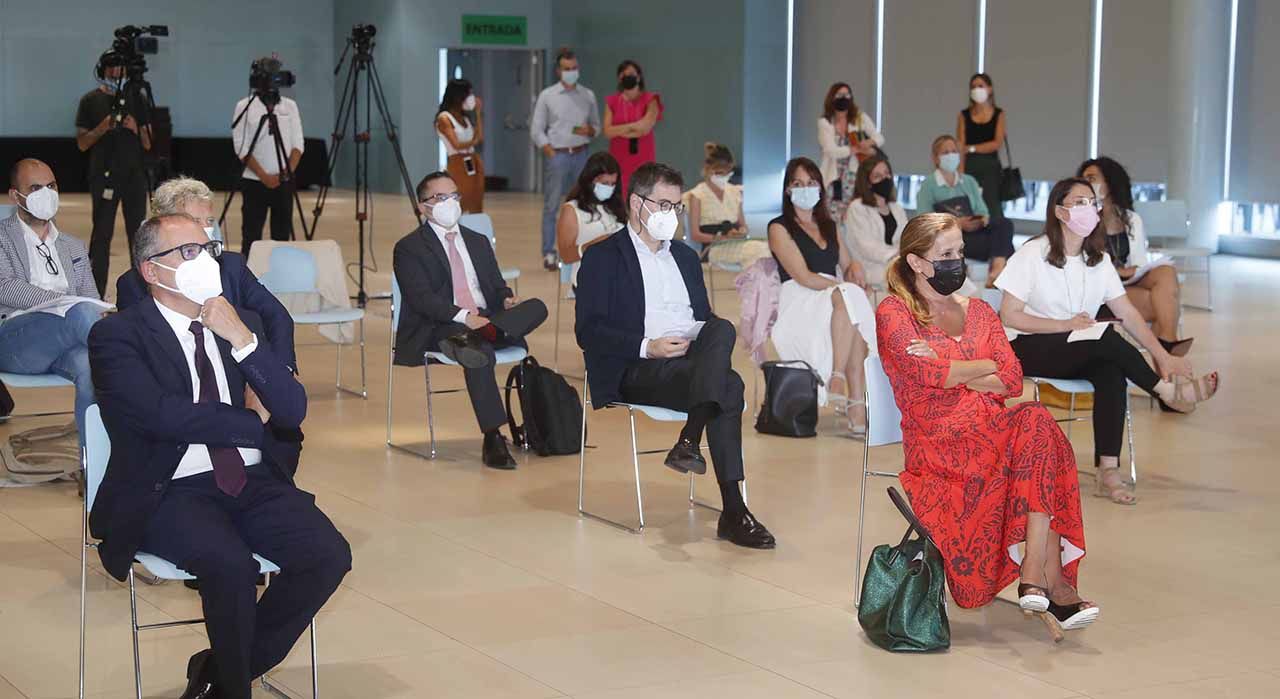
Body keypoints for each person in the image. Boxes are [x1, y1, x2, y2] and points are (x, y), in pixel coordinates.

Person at [87, 213, 351, 699]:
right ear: (150, 270)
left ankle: (220, 670)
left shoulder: (237, 324)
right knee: (231, 566)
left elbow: (291, 411)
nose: (203, 261)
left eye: (206, 249)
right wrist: (251, 422)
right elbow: (162, 416)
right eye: (186, 252)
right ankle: (233, 688)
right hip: (167, 489)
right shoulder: (118, 335)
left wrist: (244, 342)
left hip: (249, 481)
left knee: (328, 555)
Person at [876, 212, 1097, 630]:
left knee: (1035, 422)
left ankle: (1034, 576)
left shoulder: (977, 310)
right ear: (917, 263)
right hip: (939, 443)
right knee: (1040, 438)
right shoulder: (894, 312)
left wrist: (950, 365)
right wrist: (980, 367)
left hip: (993, 432)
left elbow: (1012, 378)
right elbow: (925, 375)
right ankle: (1055, 587)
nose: (957, 261)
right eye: (945, 254)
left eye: (959, 251)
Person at [575, 162, 775, 549]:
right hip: (637, 366)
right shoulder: (604, 257)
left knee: (721, 329)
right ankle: (732, 509)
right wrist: (647, 346)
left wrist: (697, 337)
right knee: (729, 386)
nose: (671, 215)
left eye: (676, 206)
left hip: (687, 361)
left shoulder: (684, 257)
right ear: (636, 203)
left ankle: (690, 441)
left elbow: (702, 319)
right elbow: (589, 331)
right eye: (663, 205)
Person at [996, 178, 1221, 505]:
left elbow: (1128, 313)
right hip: (1027, 346)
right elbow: (1009, 315)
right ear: (1060, 211)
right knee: (1104, 337)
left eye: (1092, 202)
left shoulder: (1097, 260)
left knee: (1110, 369)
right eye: (1080, 202)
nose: (1090, 209)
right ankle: (1167, 392)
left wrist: (1163, 355)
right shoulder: (1033, 253)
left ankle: (1108, 470)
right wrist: (1064, 324)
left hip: (1078, 345)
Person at [393, 171, 549, 469]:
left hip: (487, 320)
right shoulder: (409, 247)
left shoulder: (476, 241)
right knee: (477, 353)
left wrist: (506, 298)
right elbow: (422, 300)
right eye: (441, 197)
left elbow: (496, 284)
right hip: (442, 325)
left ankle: (491, 330)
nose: (450, 202)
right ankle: (493, 437)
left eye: (454, 195)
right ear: (422, 205)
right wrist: (466, 318)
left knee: (537, 306)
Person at [115, 176, 296, 371]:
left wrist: (281, 370)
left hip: (238, 371)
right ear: (164, 223)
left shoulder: (232, 266)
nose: (204, 229)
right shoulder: (135, 282)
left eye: (209, 221)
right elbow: (139, 351)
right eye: (193, 220)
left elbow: (276, 315)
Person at [767, 157, 875, 435]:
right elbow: (802, 276)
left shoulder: (830, 225)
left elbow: (847, 265)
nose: (806, 188)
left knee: (852, 304)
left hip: (835, 295)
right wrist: (842, 288)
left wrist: (856, 267)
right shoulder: (779, 227)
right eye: (797, 183)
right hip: (800, 293)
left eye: (811, 183)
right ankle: (848, 394)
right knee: (851, 301)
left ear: (820, 188)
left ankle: (848, 394)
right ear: (788, 190)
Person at [0, 158, 102, 440]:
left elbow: (92, 300)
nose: (46, 194)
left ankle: (93, 465)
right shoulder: (1, 237)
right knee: (81, 313)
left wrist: (76, 307)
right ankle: (131, 360)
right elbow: (5, 287)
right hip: (14, 340)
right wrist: (64, 302)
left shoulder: (73, 246)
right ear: (15, 196)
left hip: (67, 339)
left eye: (51, 186)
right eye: (35, 188)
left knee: (90, 366)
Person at [1077, 156, 1192, 356]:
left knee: (1166, 272)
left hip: (1127, 283)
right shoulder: (1081, 220)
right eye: (1083, 178)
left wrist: (1125, 272)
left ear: (1110, 183)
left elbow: (1138, 264)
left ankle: (1166, 350)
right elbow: (1084, 265)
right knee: (1162, 307)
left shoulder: (1131, 219)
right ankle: (1167, 350)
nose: (1086, 183)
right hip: (1099, 292)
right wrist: (1118, 271)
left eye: (1092, 178)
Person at [77, 51, 153, 296]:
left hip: (134, 177)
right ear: (102, 70)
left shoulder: (138, 99)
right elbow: (82, 143)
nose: (115, 72)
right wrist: (103, 127)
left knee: (138, 235)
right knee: (101, 236)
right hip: (103, 176)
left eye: (119, 67)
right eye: (110, 67)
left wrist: (134, 127)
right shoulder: (89, 101)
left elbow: (149, 143)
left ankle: (140, 293)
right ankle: (95, 295)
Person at [532, 48, 600, 270]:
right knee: (552, 205)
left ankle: (578, 249)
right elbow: (536, 129)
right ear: (558, 70)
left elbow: (597, 127)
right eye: (566, 69)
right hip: (558, 155)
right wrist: (550, 150)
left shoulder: (587, 95)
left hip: (581, 154)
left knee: (583, 203)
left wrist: (590, 131)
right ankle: (549, 252)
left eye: (574, 68)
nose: (571, 72)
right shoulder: (547, 95)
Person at [916, 135, 1014, 287]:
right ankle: (997, 272)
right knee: (1007, 247)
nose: (951, 155)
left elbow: (983, 211)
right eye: (945, 152)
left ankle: (997, 268)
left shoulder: (969, 181)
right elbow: (924, 222)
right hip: (951, 241)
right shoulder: (928, 186)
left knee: (1004, 224)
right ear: (935, 158)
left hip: (975, 233)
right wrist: (957, 223)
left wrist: (979, 220)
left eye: (954, 151)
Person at [232, 57, 305, 255]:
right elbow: (241, 147)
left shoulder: (290, 106)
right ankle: (247, 279)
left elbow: (298, 143)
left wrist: (286, 173)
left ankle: (279, 281)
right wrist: (264, 176)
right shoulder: (244, 106)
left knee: (282, 235)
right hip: (254, 182)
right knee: (251, 236)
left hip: (284, 181)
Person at [817, 82, 885, 223]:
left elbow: (879, 138)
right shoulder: (825, 122)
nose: (844, 98)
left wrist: (868, 143)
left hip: (854, 174)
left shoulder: (859, 118)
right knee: (831, 212)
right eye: (840, 95)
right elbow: (831, 150)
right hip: (834, 175)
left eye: (847, 94)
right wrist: (854, 149)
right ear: (832, 97)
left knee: (854, 214)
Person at [556, 152, 625, 286]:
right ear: (590, 180)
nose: (609, 188)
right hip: (589, 279)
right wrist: (595, 245)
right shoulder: (572, 210)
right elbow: (565, 255)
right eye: (605, 183)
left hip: (619, 276)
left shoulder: (615, 207)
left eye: (613, 184)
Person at [842, 156, 907, 288]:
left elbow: (907, 237)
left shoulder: (896, 207)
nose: (885, 179)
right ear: (867, 183)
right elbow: (867, 247)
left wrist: (904, 252)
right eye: (878, 176)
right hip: (870, 277)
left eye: (887, 174)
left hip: (895, 271)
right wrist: (897, 253)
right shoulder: (857, 208)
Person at [604, 60, 663, 196]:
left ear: (639, 76)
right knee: (620, 197)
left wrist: (619, 130)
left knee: (644, 195)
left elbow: (645, 128)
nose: (627, 77)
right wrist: (633, 127)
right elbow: (607, 131)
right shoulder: (612, 101)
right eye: (623, 74)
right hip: (619, 157)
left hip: (643, 156)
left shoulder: (651, 99)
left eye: (631, 73)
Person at [956, 72, 1007, 223]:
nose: (976, 89)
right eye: (973, 87)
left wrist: (971, 148)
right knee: (969, 207)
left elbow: (996, 143)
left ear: (989, 89)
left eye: (980, 86)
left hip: (990, 168)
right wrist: (960, 172)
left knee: (992, 207)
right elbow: (960, 145)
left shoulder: (999, 114)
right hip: (969, 166)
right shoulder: (963, 115)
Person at [684, 142, 747, 258]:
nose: (725, 177)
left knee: (761, 249)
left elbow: (743, 225)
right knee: (751, 254)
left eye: (729, 173)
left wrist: (741, 232)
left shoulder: (735, 192)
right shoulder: (697, 195)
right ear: (708, 170)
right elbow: (695, 235)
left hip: (735, 244)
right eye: (721, 174)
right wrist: (722, 238)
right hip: (712, 248)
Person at [436, 78, 486, 213]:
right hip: (458, 162)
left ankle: (474, 230)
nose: (471, 98)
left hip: (473, 161)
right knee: (461, 201)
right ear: (458, 96)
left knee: (476, 200)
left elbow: (479, 137)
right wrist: (473, 142)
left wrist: (478, 114)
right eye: (468, 94)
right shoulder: (444, 118)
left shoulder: (465, 118)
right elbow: (456, 144)